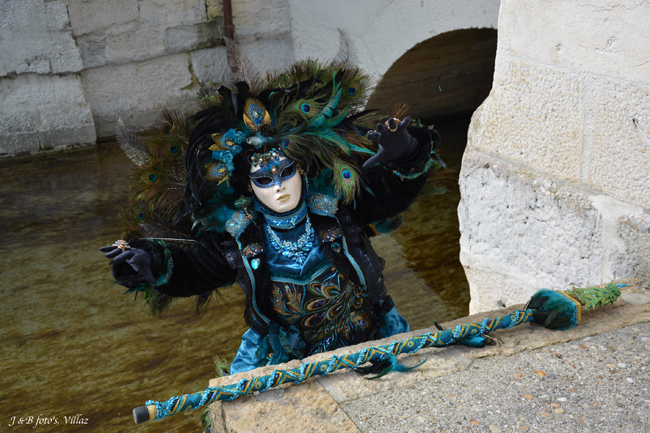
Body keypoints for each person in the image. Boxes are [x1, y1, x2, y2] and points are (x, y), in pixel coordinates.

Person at [101, 59, 442, 374]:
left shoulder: (337, 205)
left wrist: (407, 154)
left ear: (301, 170)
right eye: (264, 180)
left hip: (369, 334)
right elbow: (195, 269)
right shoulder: (238, 236)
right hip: (289, 355)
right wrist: (152, 262)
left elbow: (388, 197)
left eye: (286, 172)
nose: (279, 187)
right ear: (249, 187)